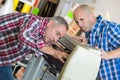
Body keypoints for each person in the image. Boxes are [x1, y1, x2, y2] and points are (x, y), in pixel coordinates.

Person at [0, 12, 69, 80]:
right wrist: (54, 52)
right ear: (50, 24)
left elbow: (37, 45)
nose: (55, 39)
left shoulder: (42, 36)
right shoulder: (35, 21)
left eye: (59, 37)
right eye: (57, 33)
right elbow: (24, 37)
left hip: (3, 61)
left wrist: (55, 49)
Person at [73, 4, 120, 80]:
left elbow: (105, 53)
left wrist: (108, 55)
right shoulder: (88, 32)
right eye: (77, 22)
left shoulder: (109, 28)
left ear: (91, 16)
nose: (79, 25)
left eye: (82, 19)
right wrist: (87, 44)